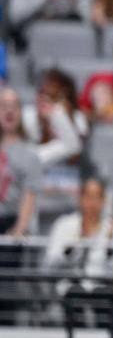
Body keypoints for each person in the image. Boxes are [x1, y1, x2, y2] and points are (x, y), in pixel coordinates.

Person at [45, 177, 113, 274]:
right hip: (69, 284)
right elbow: (50, 262)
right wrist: (70, 250)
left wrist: (109, 247)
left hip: (104, 286)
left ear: (104, 200)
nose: (92, 202)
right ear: (80, 198)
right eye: (88, 196)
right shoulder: (63, 225)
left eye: (97, 197)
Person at [0, 88, 42, 238]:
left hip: (10, 221)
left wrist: (20, 228)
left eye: (14, 106)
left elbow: (29, 194)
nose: (9, 111)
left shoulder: (30, 154)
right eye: (4, 106)